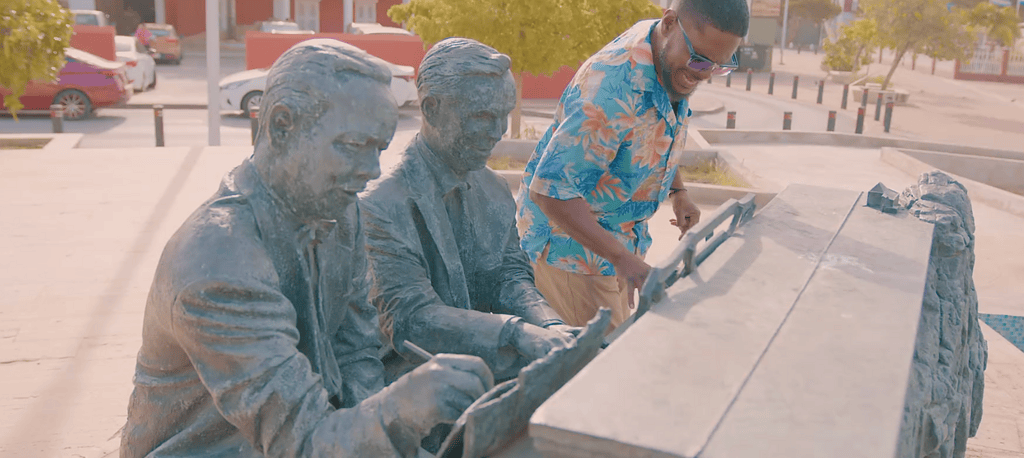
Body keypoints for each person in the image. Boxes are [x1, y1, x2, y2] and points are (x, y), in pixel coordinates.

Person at [120, 39, 494, 458]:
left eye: (380, 150)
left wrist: (382, 427)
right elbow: (301, 442)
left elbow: (355, 350)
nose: (372, 171)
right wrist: (401, 407)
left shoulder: (340, 211)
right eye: (354, 146)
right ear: (282, 125)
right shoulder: (219, 263)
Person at [515, 0, 748, 330]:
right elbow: (550, 192)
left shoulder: (663, 49)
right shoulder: (609, 95)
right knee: (597, 370)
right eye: (698, 60)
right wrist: (622, 259)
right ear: (668, 24)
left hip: (616, 247)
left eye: (718, 66)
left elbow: (655, 132)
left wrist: (678, 191)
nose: (704, 74)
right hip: (572, 253)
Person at [361, 38, 576, 385]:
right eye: (482, 115)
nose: (498, 132)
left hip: (479, 361)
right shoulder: (381, 203)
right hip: (406, 379)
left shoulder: (493, 188)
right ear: (431, 109)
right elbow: (411, 319)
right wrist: (517, 334)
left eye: (504, 114)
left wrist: (551, 326)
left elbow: (509, 276)